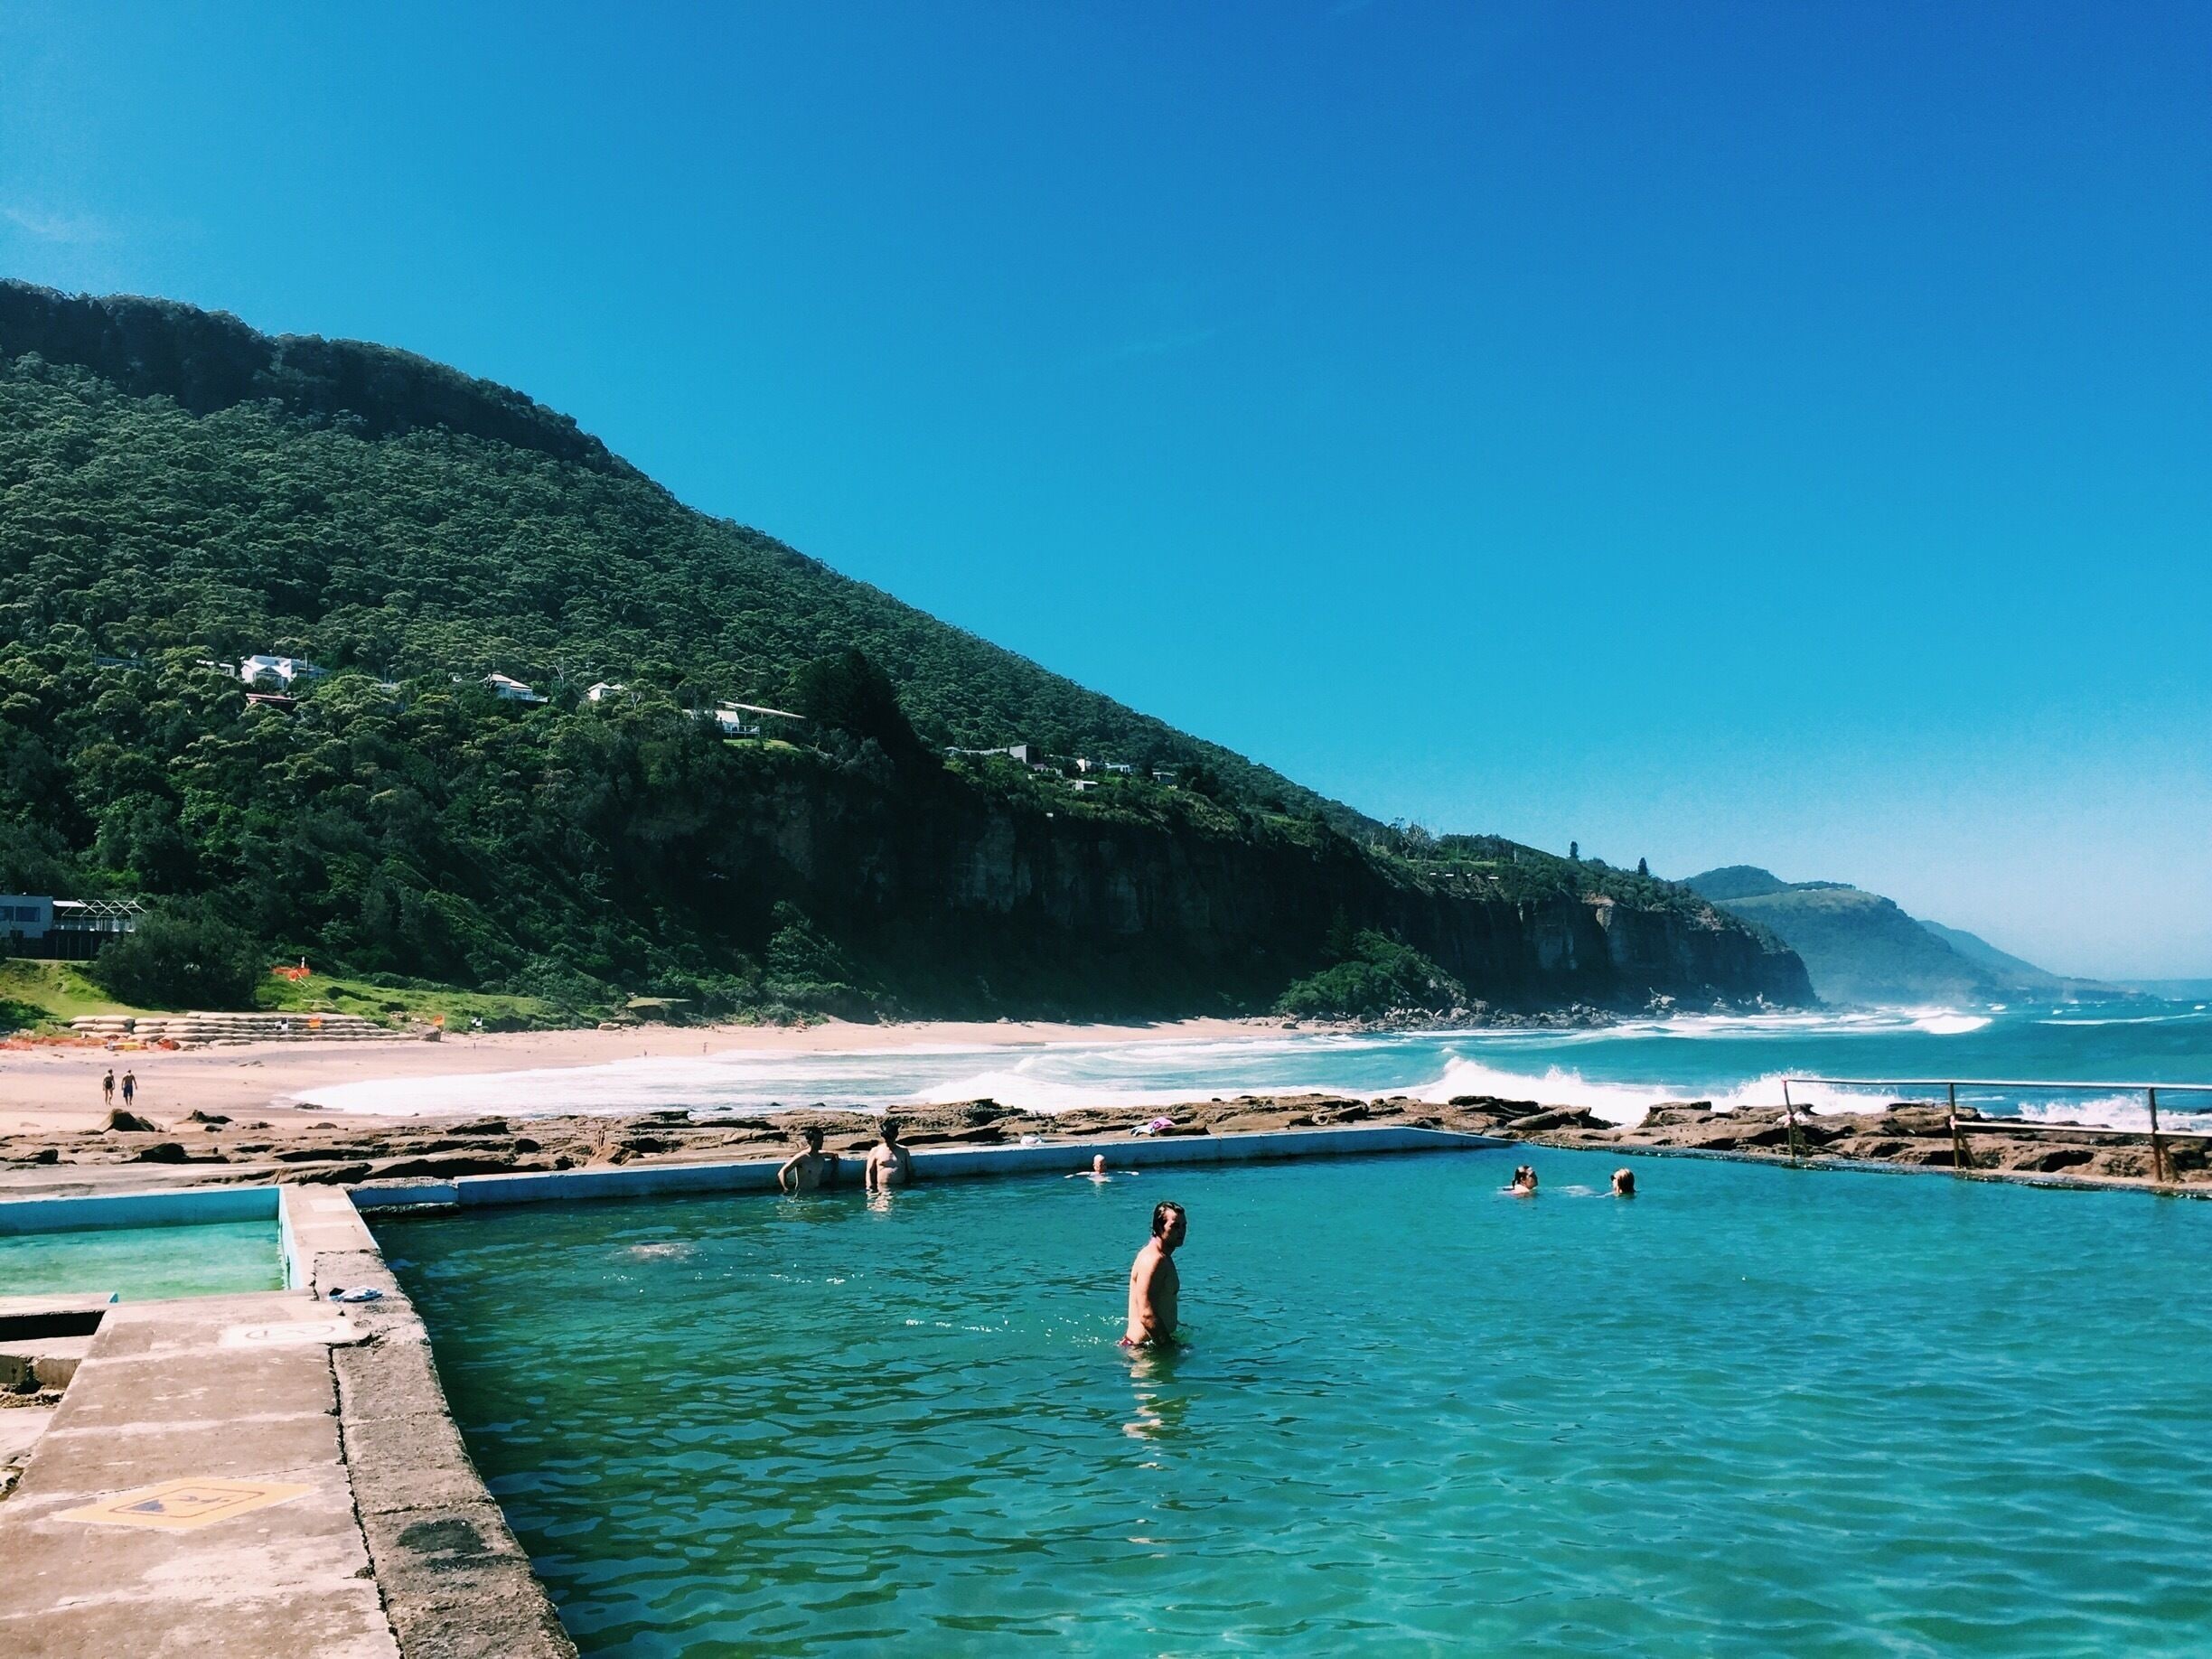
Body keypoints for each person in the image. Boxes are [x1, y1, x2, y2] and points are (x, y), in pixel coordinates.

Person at [1122, 1201, 1186, 1347]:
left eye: (1184, 1226)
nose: (1181, 1231)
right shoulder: (1153, 1260)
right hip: (1143, 1350)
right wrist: (1170, 1348)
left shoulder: (1162, 1256)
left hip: (1150, 1346)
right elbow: (1147, 1315)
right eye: (1175, 1226)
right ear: (1159, 1227)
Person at [777, 1126, 840, 1194]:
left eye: (821, 1140)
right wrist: (786, 1189)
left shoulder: (822, 1155)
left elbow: (835, 1155)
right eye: (817, 1140)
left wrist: (834, 1172)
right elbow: (781, 1173)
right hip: (802, 1195)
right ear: (809, 1141)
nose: (820, 1142)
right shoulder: (802, 1157)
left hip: (816, 1193)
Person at [865, 1118, 914, 1193]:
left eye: (891, 1137)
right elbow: (869, 1172)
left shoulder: (903, 1151)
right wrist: (870, 1189)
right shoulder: (876, 1150)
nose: (889, 1140)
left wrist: (910, 1188)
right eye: (887, 1137)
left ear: (896, 1135)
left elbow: (910, 1171)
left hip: (900, 1190)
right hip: (882, 1191)